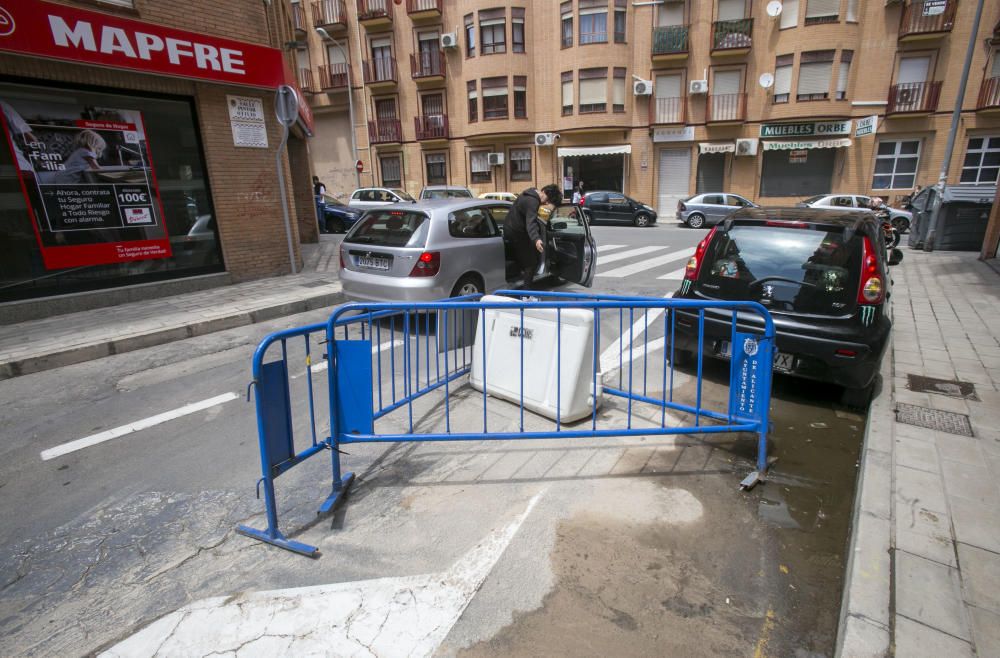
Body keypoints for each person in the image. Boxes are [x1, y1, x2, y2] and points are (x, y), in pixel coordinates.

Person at [506, 184, 562, 289]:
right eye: (547, 201)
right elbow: (531, 223)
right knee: (531, 263)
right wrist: (536, 239)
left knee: (527, 257)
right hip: (517, 234)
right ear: (544, 193)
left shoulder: (529, 193)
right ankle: (526, 296)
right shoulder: (533, 202)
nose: (545, 203)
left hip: (510, 231)